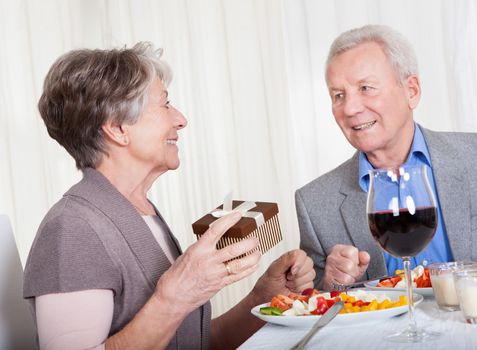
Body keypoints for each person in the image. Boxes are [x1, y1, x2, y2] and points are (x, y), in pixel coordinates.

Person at [23, 42, 315, 350]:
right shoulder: (72, 230)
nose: (180, 119)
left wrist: (261, 299)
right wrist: (176, 295)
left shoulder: (141, 212)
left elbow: (194, 343)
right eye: (165, 104)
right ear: (118, 128)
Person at [295, 24, 477, 291]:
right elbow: (315, 308)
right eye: (338, 95)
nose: (350, 108)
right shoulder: (314, 204)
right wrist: (330, 283)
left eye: (366, 88)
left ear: (411, 91)